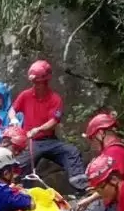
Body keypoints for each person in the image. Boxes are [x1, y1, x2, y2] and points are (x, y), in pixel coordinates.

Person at [10, 60, 86, 191]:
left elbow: (53, 121)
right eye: (34, 83)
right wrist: (13, 119)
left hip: (49, 140)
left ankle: (81, 187)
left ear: (46, 81)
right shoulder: (26, 95)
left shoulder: (55, 99)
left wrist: (38, 129)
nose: (36, 85)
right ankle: (17, 192)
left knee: (71, 152)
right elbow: (12, 109)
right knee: (21, 164)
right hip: (31, 141)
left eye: (39, 83)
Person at [74, 112, 124, 211]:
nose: (92, 144)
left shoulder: (114, 152)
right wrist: (89, 200)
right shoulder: (112, 150)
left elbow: (111, 186)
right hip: (110, 204)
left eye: (92, 139)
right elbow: (106, 185)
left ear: (101, 133)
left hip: (119, 206)